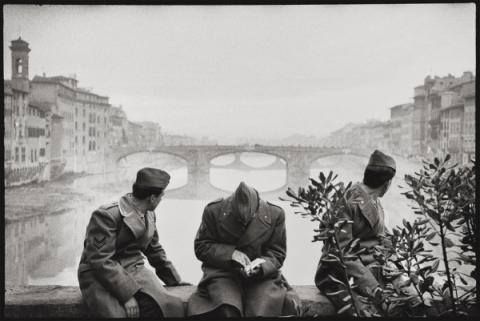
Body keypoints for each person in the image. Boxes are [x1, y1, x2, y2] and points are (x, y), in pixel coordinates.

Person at [314, 150, 422, 316]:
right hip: (339, 274)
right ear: (387, 183)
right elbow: (343, 253)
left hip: (371, 267)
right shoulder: (347, 201)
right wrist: (375, 288)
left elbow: (384, 240)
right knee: (365, 312)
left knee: (413, 300)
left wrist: (402, 269)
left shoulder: (373, 200)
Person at [77, 167, 189, 318]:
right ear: (152, 198)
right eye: (161, 197)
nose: (161, 200)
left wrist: (174, 280)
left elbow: (154, 249)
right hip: (99, 273)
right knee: (116, 315)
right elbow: (100, 259)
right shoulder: (106, 215)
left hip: (132, 268)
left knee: (168, 306)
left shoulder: (149, 214)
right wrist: (127, 295)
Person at [187, 182, 301, 317]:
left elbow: (277, 253)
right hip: (224, 273)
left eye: (249, 219)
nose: (244, 223)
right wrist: (231, 254)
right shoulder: (213, 211)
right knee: (227, 308)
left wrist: (261, 266)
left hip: (261, 277)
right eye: (239, 220)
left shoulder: (275, 214)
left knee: (261, 310)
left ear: (256, 211)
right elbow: (201, 246)